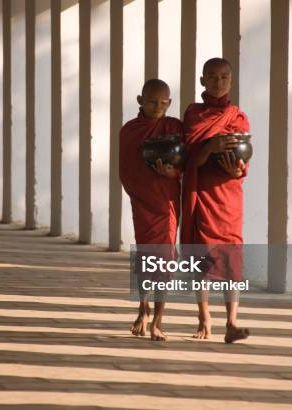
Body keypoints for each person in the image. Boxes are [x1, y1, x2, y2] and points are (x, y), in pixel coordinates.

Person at [181, 57, 250, 343]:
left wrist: (238, 168)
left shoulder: (238, 116)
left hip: (228, 194)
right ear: (202, 81)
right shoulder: (194, 115)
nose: (218, 82)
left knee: (232, 256)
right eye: (211, 77)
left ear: (231, 81)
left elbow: (243, 160)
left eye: (223, 77)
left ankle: (232, 322)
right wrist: (210, 146)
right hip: (203, 192)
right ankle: (204, 318)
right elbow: (189, 159)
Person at [119, 79, 182, 342]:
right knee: (146, 259)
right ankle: (142, 309)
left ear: (170, 103)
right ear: (140, 100)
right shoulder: (130, 130)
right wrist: (139, 191)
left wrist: (172, 172)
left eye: (164, 103)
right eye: (152, 101)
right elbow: (126, 169)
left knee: (164, 262)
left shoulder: (174, 127)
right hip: (143, 202)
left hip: (166, 201)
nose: (158, 107)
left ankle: (158, 320)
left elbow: (186, 161)